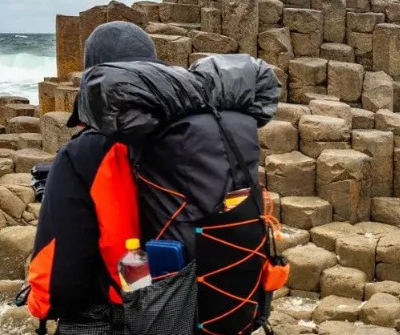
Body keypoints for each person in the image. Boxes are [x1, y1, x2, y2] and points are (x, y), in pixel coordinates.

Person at [23, 21, 282, 334]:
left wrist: (36, 303)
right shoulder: (203, 128)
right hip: (213, 311)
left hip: (123, 321)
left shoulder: (85, 152)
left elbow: (57, 286)